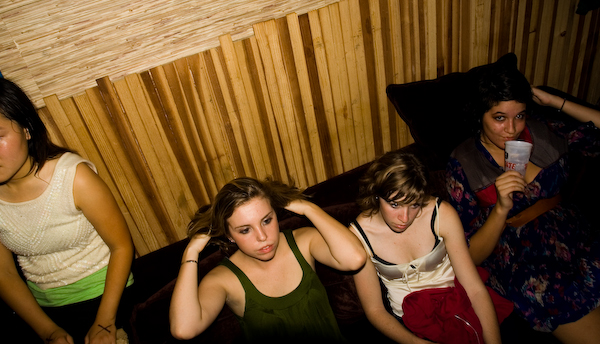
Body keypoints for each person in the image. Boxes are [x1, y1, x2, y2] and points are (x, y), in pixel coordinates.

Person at [445, 64, 600, 344]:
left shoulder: (542, 129)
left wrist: (555, 101)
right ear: (479, 115)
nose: (512, 129)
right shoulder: (464, 162)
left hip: (575, 234)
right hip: (527, 261)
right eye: (499, 117)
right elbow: (469, 256)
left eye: (519, 115)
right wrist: (501, 209)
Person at [0, 78, 134, 344]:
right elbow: (4, 273)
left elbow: (121, 246)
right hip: (42, 307)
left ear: (27, 130)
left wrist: (105, 322)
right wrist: (47, 331)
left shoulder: (74, 177)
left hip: (104, 294)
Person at [169, 177, 367, 343]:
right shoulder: (223, 279)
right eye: (245, 230)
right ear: (229, 235)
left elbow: (355, 259)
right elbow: (184, 329)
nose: (262, 236)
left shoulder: (303, 241)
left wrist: (309, 209)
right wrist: (191, 252)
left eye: (266, 220)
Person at [350, 150, 506, 344]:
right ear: (376, 195)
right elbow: (375, 310)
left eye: (414, 205)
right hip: (409, 324)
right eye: (395, 204)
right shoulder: (359, 235)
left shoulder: (440, 214)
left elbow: (474, 288)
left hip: (458, 303)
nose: (405, 218)